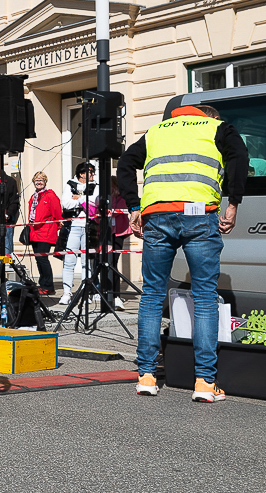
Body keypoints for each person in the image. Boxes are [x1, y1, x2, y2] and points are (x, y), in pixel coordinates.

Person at [117, 103, 247, 402]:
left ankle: (146, 376)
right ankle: (204, 382)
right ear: (210, 117)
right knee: (204, 297)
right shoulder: (218, 128)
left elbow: (125, 163)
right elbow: (239, 157)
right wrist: (233, 203)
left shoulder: (156, 132)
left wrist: (134, 206)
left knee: (152, 295)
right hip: (199, 214)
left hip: (157, 216)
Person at [58, 162, 97, 305]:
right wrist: (84, 202)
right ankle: (67, 293)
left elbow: (94, 204)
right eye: (90, 172)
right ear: (81, 174)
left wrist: (79, 198)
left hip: (89, 227)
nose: (92, 174)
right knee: (69, 261)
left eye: (93, 172)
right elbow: (66, 203)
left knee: (87, 262)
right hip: (72, 227)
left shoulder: (96, 186)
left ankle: (86, 293)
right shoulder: (70, 185)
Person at [25, 172, 61, 295]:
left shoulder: (50, 196)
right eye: (36, 180)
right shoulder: (33, 197)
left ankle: (48, 286)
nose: (39, 182)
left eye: (41, 180)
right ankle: (43, 284)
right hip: (35, 232)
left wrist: (58, 226)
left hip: (46, 231)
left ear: (45, 182)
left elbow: (57, 212)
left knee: (43, 259)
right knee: (38, 259)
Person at [106, 176, 131, 311]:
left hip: (118, 233)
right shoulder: (104, 198)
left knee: (113, 263)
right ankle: (107, 292)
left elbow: (116, 211)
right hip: (106, 233)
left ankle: (116, 295)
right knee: (106, 264)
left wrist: (111, 201)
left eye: (111, 186)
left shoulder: (122, 198)